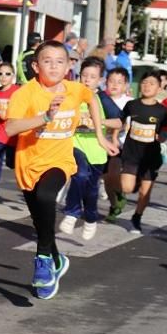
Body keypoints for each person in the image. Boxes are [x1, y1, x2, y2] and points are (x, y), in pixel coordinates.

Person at [6, 41, 118, 299]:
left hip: (60, 160)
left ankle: (43, 259)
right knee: (40, 221)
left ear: (69, 65)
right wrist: (45, 117)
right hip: (29, 164)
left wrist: (101, 136)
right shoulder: (25, 94)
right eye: (47, 61)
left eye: (60, 61)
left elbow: (92, 99)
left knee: (47, 197)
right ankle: (57, 260)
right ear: (36, 66)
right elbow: (11, 128)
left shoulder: (75, 89)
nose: (54, 66)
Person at [59, 57, 122, 240]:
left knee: (91, 189)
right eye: (84, 75)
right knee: (80, 174)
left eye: (92, 77)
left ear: (100, 80)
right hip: (74, 143)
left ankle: (91, 218)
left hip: (96, 149)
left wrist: (96, 121)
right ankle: (71, 213)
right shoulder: (73, 95)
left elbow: (119, 121)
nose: (87, 80)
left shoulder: (103, 99)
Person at [118, 71, 167, 234]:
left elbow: (166, 129)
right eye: (145, 82)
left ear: (159, 88)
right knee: (127, 188)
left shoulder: (161, 110)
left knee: (144, 193)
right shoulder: (132, 105)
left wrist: (161, 137)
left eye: (152, 83)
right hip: (131, 153)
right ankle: (131, 185)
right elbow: (120, 121)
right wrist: (113, 136)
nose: (147, 86)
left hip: (150, 156)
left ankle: (137, 217)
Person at [0, 62, 21, 206]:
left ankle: (30, 189)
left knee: (13, 163)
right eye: (0, 73)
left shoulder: (18, 91)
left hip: (14, 133)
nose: (3, 77)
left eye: (7, 74)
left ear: (13, 76)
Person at [103, 66, 133, 221]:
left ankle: (120, 193)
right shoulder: (100, 99)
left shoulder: (129, 102)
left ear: (126, 85)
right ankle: (114, 205)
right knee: (107, 179)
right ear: (105, 83)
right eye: (111, 81)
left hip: (120, 144)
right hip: (102, 143)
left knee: (113, 174)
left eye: (119, 82)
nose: (114, 85)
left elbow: (124, 123)